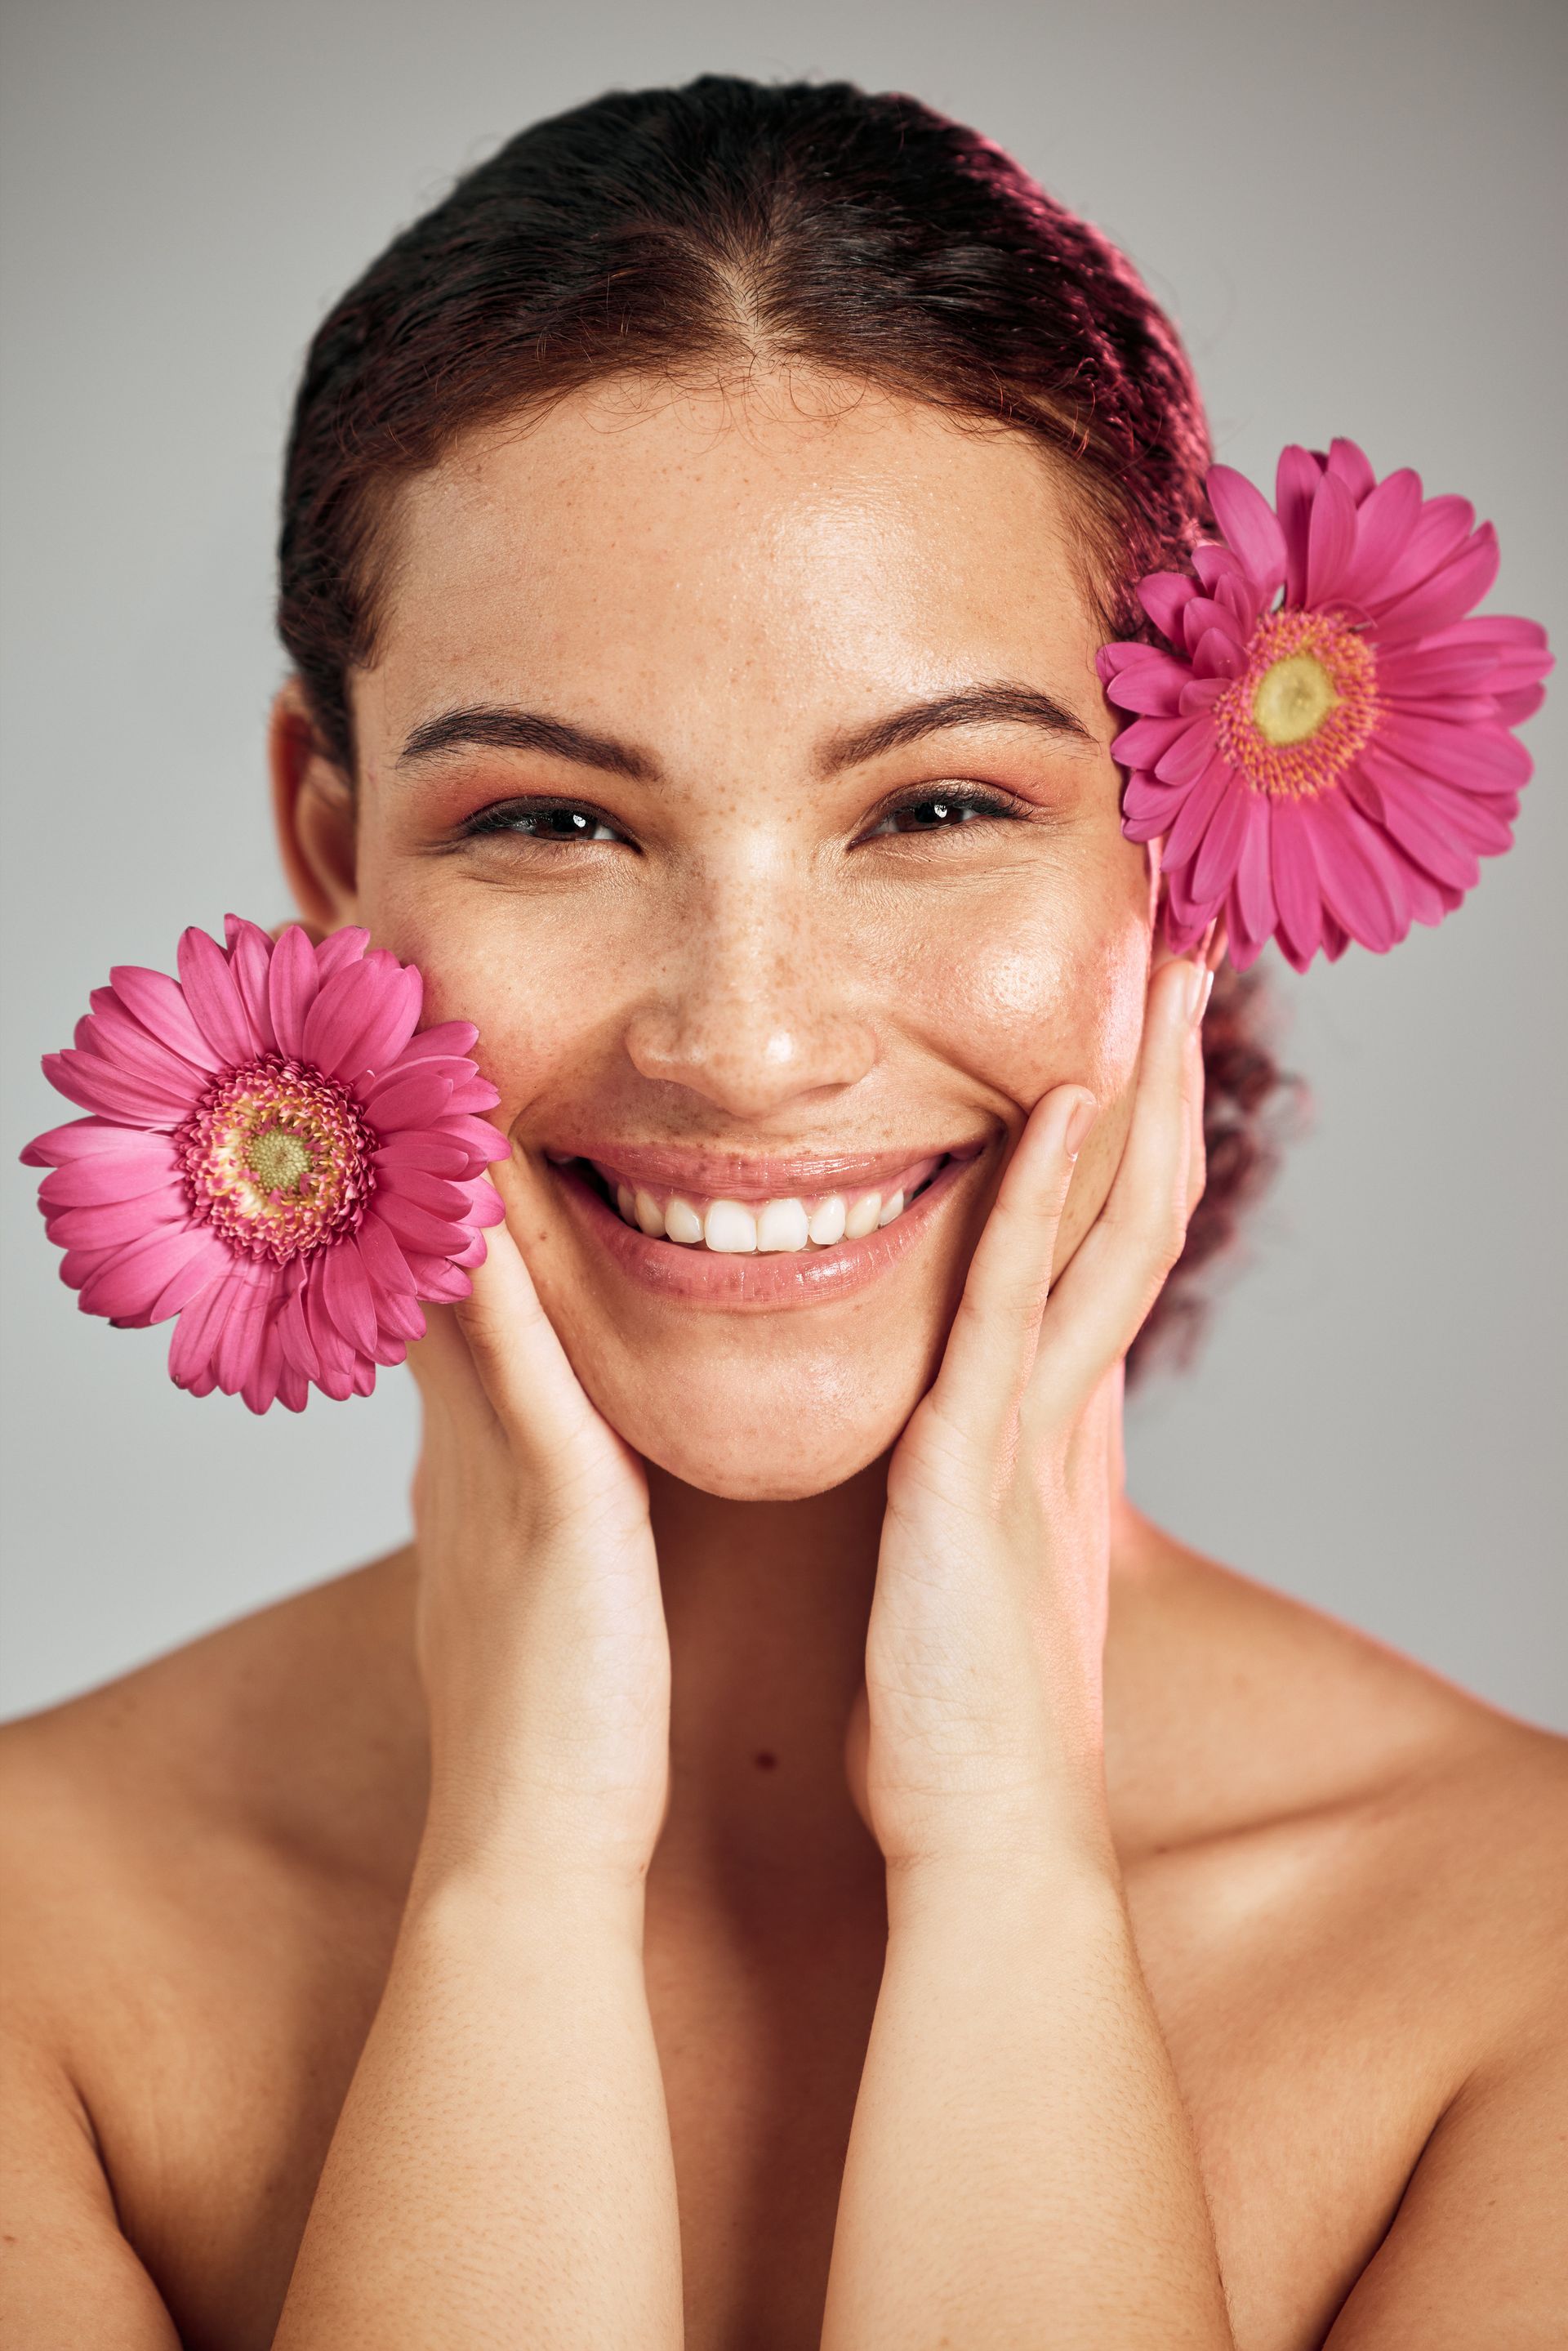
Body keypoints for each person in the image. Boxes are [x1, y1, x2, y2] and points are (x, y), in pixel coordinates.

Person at [2, 74, 1563, 2351]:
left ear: (1184, 845)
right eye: (552, 823)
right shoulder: (37, 1944)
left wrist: (1010, 1849)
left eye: (935, 800)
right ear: (330, 849)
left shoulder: (1515, 1965)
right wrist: (515, 1873)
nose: (743, 1043)